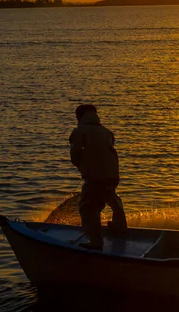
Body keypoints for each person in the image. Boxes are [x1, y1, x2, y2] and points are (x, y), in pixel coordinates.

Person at [69, 104, 128, 250]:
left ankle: (96, 242)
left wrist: (83, 166)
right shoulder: (106, 132)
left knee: (88, 207)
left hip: (96, 177)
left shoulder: (79, 131)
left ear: (79, 117)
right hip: (113, 175)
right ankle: (119, 229)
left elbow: (75, 156)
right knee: (112, 199)